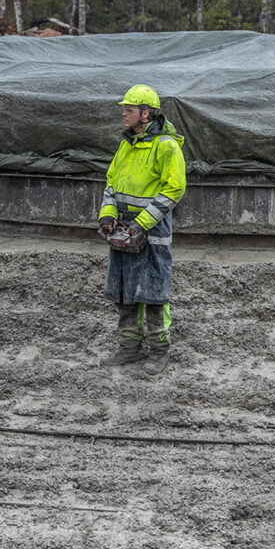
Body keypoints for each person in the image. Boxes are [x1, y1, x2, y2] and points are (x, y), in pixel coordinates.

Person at [97, 85, 186, 376]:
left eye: (129, 110)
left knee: (152, 293)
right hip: (123, 230)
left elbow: (174, 189)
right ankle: (129, 348)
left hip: (151, 232)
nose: (124, 114)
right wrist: (107, 215)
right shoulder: (127, 144)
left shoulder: (166, 146)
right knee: (124, 292)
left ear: (145, 114)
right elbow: (112, 182)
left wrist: (142, 222)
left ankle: (159, 350)